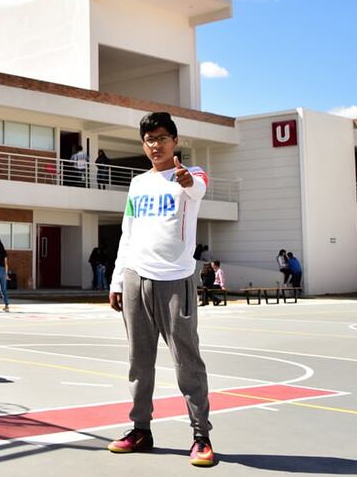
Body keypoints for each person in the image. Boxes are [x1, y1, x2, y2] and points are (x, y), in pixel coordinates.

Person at [107, 112, 217, 468]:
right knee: (139, 361)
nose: (156, 145)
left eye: (162, 138)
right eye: (149, 139)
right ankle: (141, 429)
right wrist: (117, 279)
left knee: (187, 361)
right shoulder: (138, 183)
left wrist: (186, 180)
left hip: (175, 280)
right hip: (135, 278)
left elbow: (198, 187)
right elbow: (127, 233)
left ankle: (201, 436)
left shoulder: (192, 174)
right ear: (144, 145)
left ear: (175, 141)